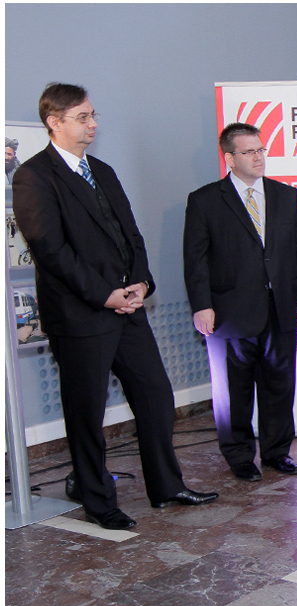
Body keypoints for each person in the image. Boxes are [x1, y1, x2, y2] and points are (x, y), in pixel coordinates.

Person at [11, 83, 217, 530]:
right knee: (86, 412)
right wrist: (103, 294)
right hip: (81, 313)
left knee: (156, 395)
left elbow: (131, 235)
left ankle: (166, 486)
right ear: (54, 122)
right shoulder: (33, 176)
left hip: (128, 307)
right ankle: (97, 499)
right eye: (82, 117)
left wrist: (142, 282)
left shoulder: (101, 170)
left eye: (93, 115)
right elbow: (51, 251)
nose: (92, 124)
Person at [183, 123, 297, 481]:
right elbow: (195, 260)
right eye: (249, 152)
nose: (258, 157)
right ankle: (239, 455)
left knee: (279, 384)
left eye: (261, 150)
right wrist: (201, 305)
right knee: (233, 390)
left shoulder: (286, 195)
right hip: (229, 310)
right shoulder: (205, 200)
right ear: (229, 158)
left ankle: (277, 452)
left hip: (281, 306)